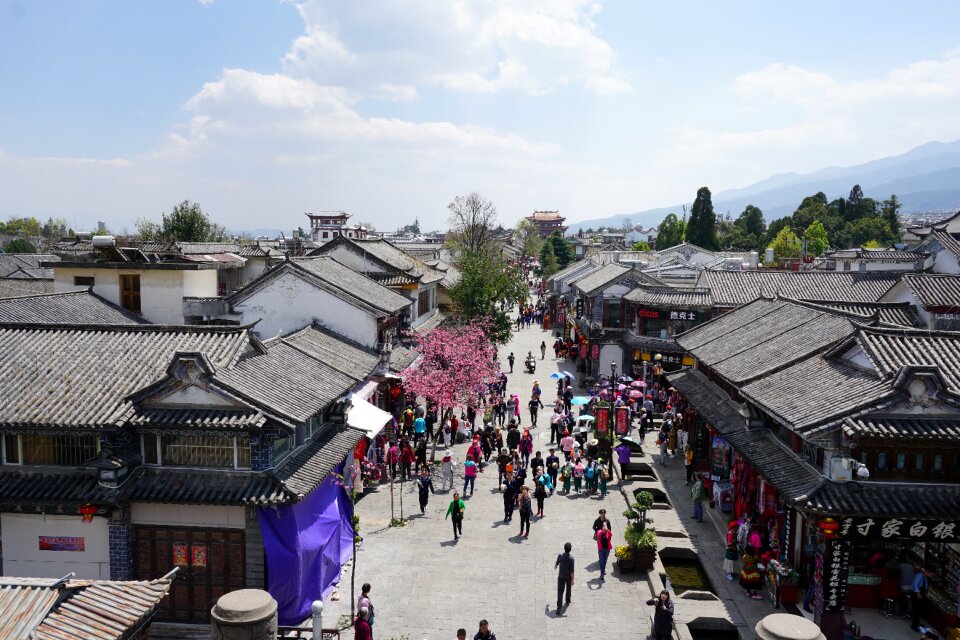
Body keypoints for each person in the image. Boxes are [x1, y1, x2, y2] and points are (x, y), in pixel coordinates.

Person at [555, 542, 575, 614]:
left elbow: (557, 562)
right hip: (568, 577)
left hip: (561, 576)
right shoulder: (571, 559)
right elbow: (572, 571)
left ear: (564, 548)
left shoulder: (560, 556)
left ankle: (559, 608)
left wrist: (556, 566)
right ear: (570, 550)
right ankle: (567, 600)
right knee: (568, 589)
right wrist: (573, 579)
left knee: (560, 592)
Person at [912, 566, 931, 631]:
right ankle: (914, 625)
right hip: (917, 594)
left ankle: (917, 622)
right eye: (931, 574)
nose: (931, 575)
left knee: (919, 610)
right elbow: (915, 584)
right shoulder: (920, 575)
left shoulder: (924, 576)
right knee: (916, 610)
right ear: (927, 572)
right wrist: (918, 593)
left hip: (921, 593)